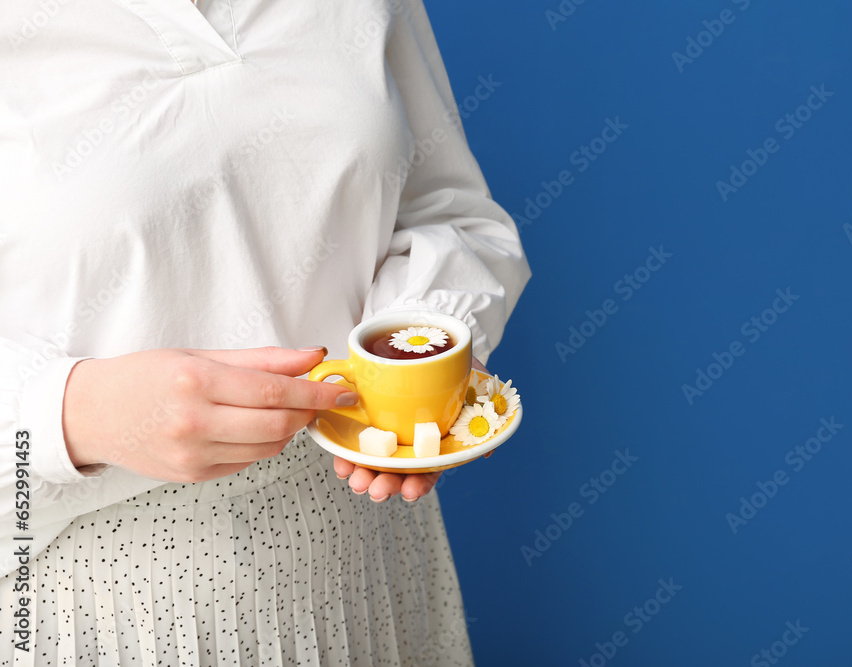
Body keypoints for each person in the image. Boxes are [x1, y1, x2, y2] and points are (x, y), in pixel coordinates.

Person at [0, 0, 530, 662]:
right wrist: (77, 414)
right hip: (99, 610)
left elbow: (444, 207)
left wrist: (416, 363)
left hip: (373, 555)